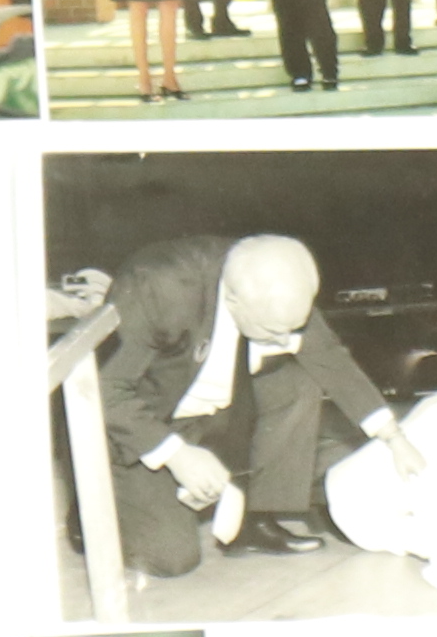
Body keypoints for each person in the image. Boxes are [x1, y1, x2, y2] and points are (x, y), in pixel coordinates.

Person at [79, 227, 406, 578]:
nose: (286, 340)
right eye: (274, 329)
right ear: (233, 301)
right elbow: (102, 391)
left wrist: (394, 438)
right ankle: (88, 512)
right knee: (172, 558)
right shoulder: (159, 286)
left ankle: (255, 520)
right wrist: (176, 454)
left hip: (210, 413)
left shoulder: (271, 276)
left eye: (294, 327)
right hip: (133, 422)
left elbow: (328, 356)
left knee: (297, 379)